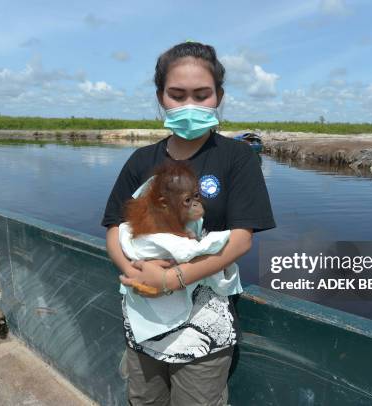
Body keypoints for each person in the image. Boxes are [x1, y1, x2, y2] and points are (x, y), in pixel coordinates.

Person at [101, 41, 276, 406]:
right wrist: (136, 273)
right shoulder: (140, 160)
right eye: (177, 95)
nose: (189, 106)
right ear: (160, 97)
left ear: (219, 96)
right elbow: (115, 228)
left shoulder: (238, 158)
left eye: (202, 94)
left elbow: (241, 241)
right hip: (141, 309)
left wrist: (170, 279)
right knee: (143, 400)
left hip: (203, 319)